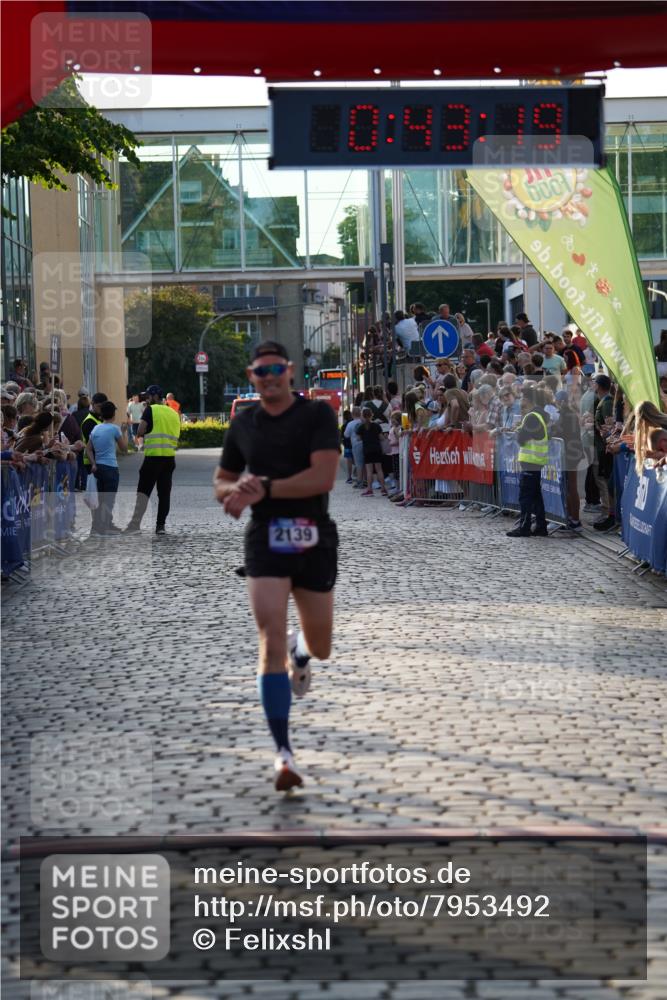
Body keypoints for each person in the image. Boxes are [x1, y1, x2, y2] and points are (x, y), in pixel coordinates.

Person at [213, 341, 339, 792]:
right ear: (251, 376)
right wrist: (234, 491)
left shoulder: (317, 415)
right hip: (265, 536)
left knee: (321, 646)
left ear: (290, 371)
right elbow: (222, 479)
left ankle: (300, 653)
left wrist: (263, 486)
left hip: (313, 534)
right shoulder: (243, 423)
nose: (268, 378)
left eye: (275, 370)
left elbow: (323, 477)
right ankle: (283, 755)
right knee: (268, 639)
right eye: (260, 372)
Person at [124, 384, 181, 535]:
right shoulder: (173, 413)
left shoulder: (151, 410)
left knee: (143, 492)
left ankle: (134, 525)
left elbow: (140, 430)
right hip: (169, 459)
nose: (147, 399)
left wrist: (142, 433)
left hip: (153, 458)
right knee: (164, 494)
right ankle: (160, 526)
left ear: (155, 396)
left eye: (148, 396)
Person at [506, 386, 550, 538]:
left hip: (531, 462)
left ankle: (524, 527)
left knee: (525, 497)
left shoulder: (531, 417)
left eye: (522, 398)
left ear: (528, 400)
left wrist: (519, 430)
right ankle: (541, 526)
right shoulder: (537, 416)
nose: (520, 401)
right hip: (535, 462)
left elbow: (521, 439)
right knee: (536, 496)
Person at [86, 401, 129, 536]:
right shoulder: (114, 429)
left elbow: (88, 449)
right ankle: (104, 528)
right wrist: (124, 432)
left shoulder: (96, 428)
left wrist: (93, 463)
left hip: (98, 468)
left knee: (100, 499)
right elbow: (124, 449)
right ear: (113, 414)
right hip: (111, 467)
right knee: (109, 499)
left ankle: (97, 527)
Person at [358, 406, 389, 497]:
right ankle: (383, 489)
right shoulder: (376, 425)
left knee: (369, 471)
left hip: (367, 450)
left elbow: (359, 438)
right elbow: (381, 438)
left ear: (362, 416)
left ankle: (369, 489)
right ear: (372, 415)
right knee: (379, 469)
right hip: (377, 449)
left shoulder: (361, 427)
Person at [80, 392, 108, 482]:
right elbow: (93, 445)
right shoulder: (89, 421)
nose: (101, 409)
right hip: (92, 462)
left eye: (103, 406)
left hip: (100, 460)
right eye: (99, 406)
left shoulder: (100, 419)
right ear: (92, 404)